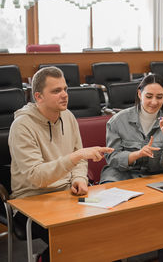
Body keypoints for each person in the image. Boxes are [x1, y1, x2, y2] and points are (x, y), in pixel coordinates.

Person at [8, 66, 114, 262]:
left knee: (107, 227)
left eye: (65, 89)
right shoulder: (22, 126)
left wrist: (80, 179)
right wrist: (75, 157)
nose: (64, 95)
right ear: (38, 97)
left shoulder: (68, 116)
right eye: (56, 91)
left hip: (67, 194)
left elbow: (80, 160)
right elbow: (37, 177)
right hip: (31, 199)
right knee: (75, 237)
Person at [100, 73, 163, 262]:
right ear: (139, 94)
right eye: (149, 96)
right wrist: (136, 154)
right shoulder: (117, 121)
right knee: (113, 215)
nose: (154, 102)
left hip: (153, 177)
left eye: (159, 97)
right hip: (121, 175)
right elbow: (111, 158)